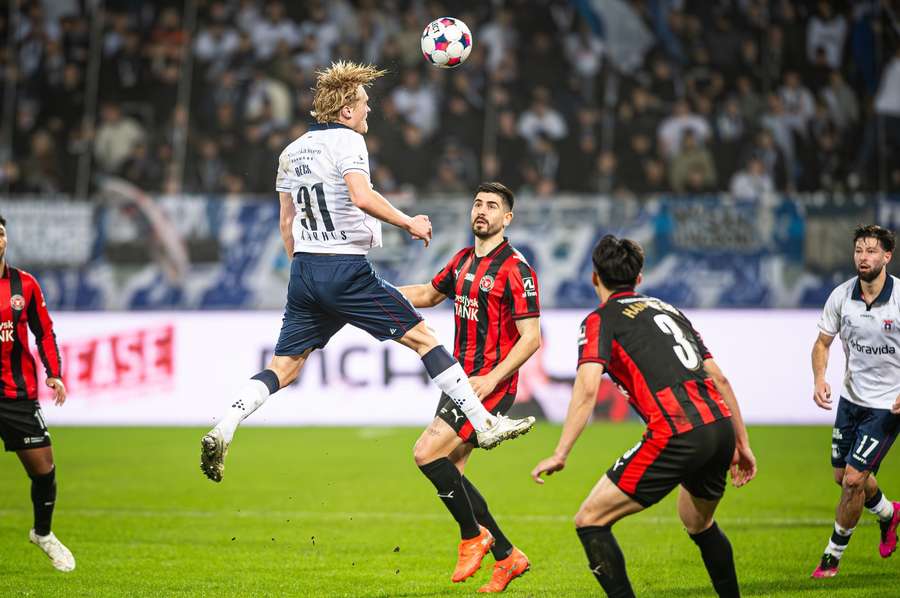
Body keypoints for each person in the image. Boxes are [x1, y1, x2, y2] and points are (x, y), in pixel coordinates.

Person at [200, 62, 534, 482]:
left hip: (304, 269)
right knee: (423, 337)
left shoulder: (291, 151)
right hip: (345, 268)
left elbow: (287, 223)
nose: (368, 111)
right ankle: (483, 423)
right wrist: (408, 222)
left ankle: (225, 425)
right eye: (363, 104)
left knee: (285, 365)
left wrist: (304, 269)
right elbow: (361, 195)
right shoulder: (348, 142)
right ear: (345, 111)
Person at [530, 235, 756, 598]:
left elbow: (587, 388)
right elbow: (720, 378)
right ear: (639, 279)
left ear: (594, 278)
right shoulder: (669, 310)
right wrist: (741, 442)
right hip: (719, 427)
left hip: (677, 431)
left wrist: (561, 453)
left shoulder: (599, 320)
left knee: (590, 520)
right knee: (698, 522)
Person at [399, 182, 540, 593]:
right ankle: (507, 556)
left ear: (506, 218)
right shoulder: (462, 260)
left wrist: (493, 378)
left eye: (492, 206)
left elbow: (531, 337)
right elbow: (427, 294)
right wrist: (376, 295)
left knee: (426, 453)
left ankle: (474, 537)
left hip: (489, 385)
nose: (482, 211)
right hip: (461, 381)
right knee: (453, 475)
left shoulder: (516, 268)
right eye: (478, 204)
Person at [810, 224, 900, 578]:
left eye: (872, 251)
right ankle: (890, 514)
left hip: (887, 406)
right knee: (842, 476)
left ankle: (831, 556)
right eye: (859, 250)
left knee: (852, 481)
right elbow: (822, 343)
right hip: (851, 400)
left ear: (887, 257)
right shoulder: (841, 296)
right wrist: (820, 378)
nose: (864, 257)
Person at [0, 214, 75, 572]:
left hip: (17, 396)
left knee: (44, 471)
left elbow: (44, 332)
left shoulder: (24, 284)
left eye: (0, 233)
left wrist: (54, 374)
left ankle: (42, 534)